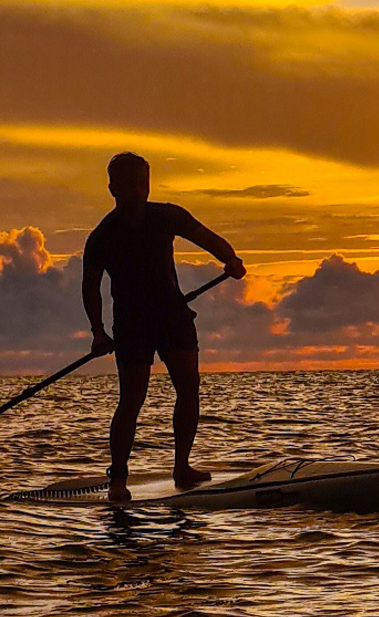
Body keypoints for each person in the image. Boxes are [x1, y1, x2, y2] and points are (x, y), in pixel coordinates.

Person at [82, 151, 246, 502]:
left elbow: (207, 238)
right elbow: (90, 288)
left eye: (143, 184)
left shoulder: (166, 215)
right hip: (131, 326)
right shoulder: (102, 236)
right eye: (130, 185)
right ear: (113, 189)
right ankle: (118, 479)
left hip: (172, 315)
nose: (139, 191)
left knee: (188, 386)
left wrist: (230, 259)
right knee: (132, 399)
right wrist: (98, 332)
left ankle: (182, 466)